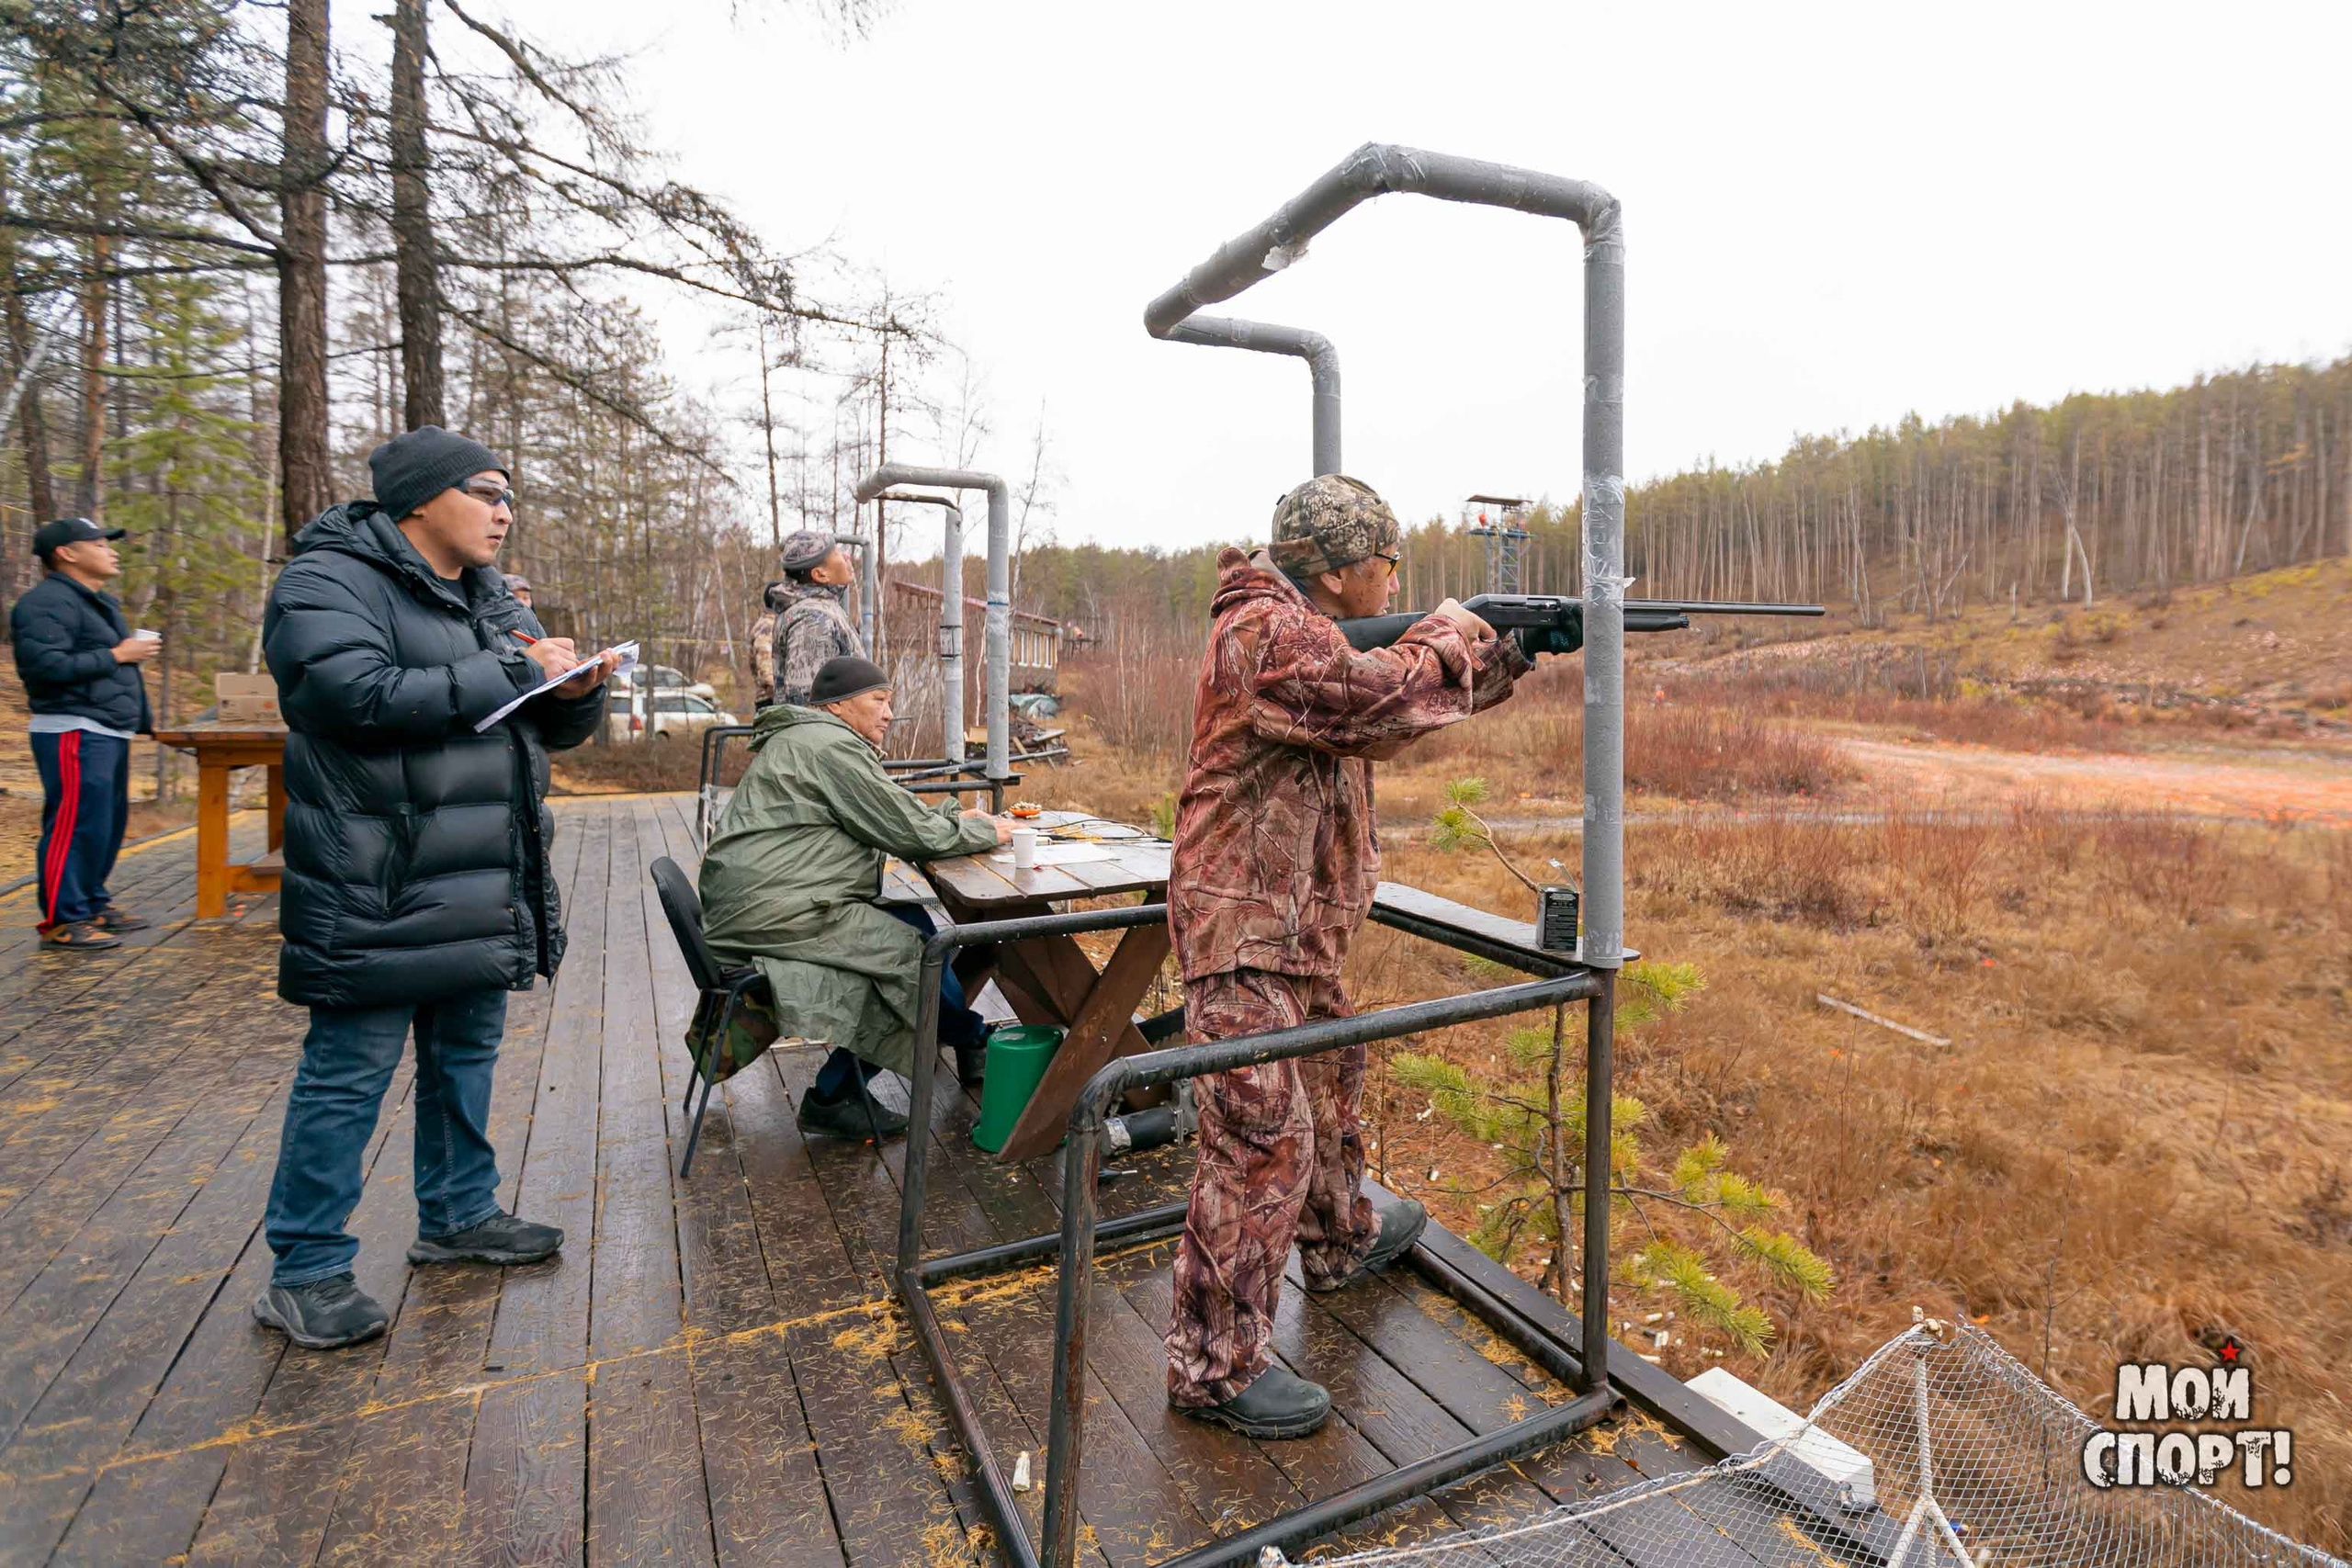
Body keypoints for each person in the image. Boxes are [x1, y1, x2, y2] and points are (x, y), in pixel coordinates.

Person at [1161, 473, 1579, 1439]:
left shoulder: (1300, 628)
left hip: (1295, 925)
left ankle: (1338, 1239)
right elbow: (1378, 695)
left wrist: (1504, 652)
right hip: (1244, 926)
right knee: (1258, 1139)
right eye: (1387, 560)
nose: (1394, 573)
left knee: (1328, 1082)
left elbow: (1385, 716)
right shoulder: (1265, 632)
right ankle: (1213, 1369)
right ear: (1347, 571)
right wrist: (1454, 627)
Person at [253, 426, 617, 1350]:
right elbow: (350, 697)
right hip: (375, 877)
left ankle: (458, 1217)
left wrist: (572, 694)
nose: (505, 512)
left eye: (509, 498)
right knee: (347, 1078)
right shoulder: (325, 581)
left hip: (481, 875)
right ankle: (305, 1269)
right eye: (487, 492)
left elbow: (528, 729)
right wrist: (511, 667)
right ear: (419, 500)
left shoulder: (489, 598)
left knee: (465, 1057)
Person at [698, 655, 1012, 1139]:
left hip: (774, 899)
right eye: (879, 701)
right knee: (909, 960)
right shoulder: (828, 747)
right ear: (841, 705)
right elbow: (906, 830)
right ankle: (838, 1095)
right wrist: (988, 831)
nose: (889, 713)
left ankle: (967, 1039)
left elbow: (889, 808)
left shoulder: (813, 740)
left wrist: (954, 819)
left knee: (915, 924)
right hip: (778, 909)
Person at [9, 516, 155, 950]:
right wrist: (118, 653)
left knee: (103, 825)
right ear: (66, 553)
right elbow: (43, 667)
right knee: (73, 824)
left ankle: (91, 903)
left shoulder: (97, 601)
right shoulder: (45, 603)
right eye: (99, 543)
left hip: (106, 727)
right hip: (72, 727)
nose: (111, 550)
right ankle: (62, 917)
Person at [770, 529, 864, 708]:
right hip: (827, 735)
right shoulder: (813, 619)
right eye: (836, 553)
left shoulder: (819, 608)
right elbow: (808, 706)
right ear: (820, 574)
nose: (846, 557)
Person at [748, 579, 787, 710]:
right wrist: (783, 702)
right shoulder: (768, 627)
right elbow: (767, 672)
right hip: (771, 702)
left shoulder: (771, 624)